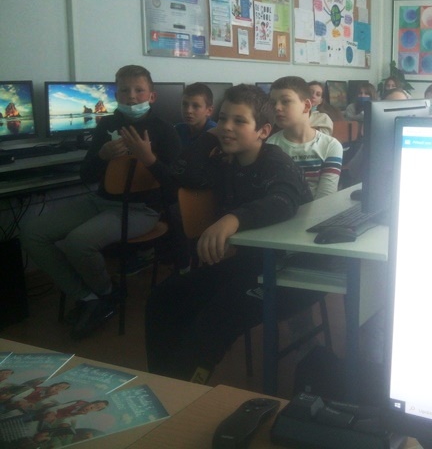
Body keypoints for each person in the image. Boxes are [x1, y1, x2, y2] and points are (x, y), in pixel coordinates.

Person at [145, 84, 312, 383]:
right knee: (164, 298)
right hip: (247, 265)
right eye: (222, 119)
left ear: (263, 131)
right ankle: (164, 382)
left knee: (217, 318)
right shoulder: (224, 161)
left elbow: (283, 201)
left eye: (239, 121)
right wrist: (210, 135)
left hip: (290, 272)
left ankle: (185, 387)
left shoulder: (275, 160)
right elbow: (180, 174)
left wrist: (232, 219)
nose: (227, 127)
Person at [20, 65, 180, 340]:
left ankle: (106, 293)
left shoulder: (165, 130)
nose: (132, 96)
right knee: (32, 233)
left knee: (78, 242)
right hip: (101, 201)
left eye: (139, 90)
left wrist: (149, 158)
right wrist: (102, 156)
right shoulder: (106, 126)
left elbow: (176, 185)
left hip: (143, 210)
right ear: (116, 95)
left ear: (152, 96)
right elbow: (86, 175)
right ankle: (91, 296)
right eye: (124, 90)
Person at [268, 76, 343, 199]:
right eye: (273, 103)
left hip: (321, 209)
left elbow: (326, 199)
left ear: (307, 106)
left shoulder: (330, 146)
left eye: (285, 101)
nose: (277, 107)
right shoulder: (271, 146)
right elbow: (275, 194)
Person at [174, 82, 216, 147]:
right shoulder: (178, 130)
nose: (188, 111)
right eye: (185, 104)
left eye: (196, 106)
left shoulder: (214, 134)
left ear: (209, 111)